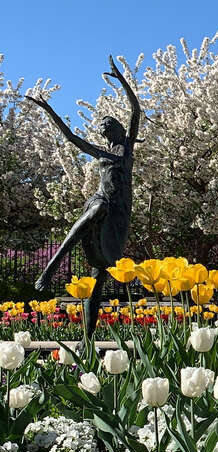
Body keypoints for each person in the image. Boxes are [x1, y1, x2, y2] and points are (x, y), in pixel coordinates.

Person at [27, 55, 140, 338]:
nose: (104, 125)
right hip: (102, 200)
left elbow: (135, 109)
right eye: (102, 125)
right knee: (94, 211)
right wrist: (49, 109)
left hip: (120, 213)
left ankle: (87, 341)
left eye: (108, 122)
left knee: (98, 278)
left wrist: (121, 79)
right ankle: (51, 268)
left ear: (119, 128)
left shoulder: (126, 147)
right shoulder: (101, 153)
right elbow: (70, 138)